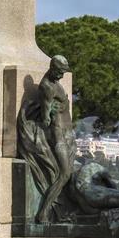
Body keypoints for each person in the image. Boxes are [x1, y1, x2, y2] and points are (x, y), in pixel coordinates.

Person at [16, 55, 75, 223]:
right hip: (58, 135)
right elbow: (45, 120)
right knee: (64, 174)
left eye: (64, 72)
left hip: (66, 133)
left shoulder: (56, 84)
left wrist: (64, 106)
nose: (62, 76)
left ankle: (57, 210)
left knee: (67, 174)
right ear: (53, 68)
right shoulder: (47, 87)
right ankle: (43, 212)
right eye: (60, 72)